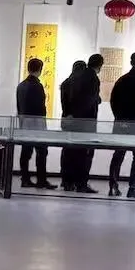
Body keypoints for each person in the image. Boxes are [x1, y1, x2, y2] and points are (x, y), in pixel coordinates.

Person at [108, 51, 135, 199]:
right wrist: (134, 120)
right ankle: (133, 188)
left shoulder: (121, 80)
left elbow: (113, 101)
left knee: (118, 154)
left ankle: (113, 186)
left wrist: (120, 118)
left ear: (131, 62)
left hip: (121, 122)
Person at [16, 57, 56, 189]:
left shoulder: (21, 86)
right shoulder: (37, 86)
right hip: (37, 123)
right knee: (42, 152)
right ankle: (41, 180)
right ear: (40, 69)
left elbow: (19, 107)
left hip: (24, 123)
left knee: (25, 152)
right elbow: (40, 107)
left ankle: (25, 178)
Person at [65, 54, 103, 194]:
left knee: (73, 153)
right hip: (87, 122)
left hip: (75, 121)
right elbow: (91, 101)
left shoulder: (77, 76)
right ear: (100, 65)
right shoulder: (93, 78)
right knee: (86, 155)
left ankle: (70, 181)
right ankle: (82, 183)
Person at [59, 60, 87, 191]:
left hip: (66, 119)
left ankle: (66, 180)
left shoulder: (66, 83)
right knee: (79, 152)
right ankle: (75, 180)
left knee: (67, 151)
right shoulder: (80, 84)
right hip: (77, 121)